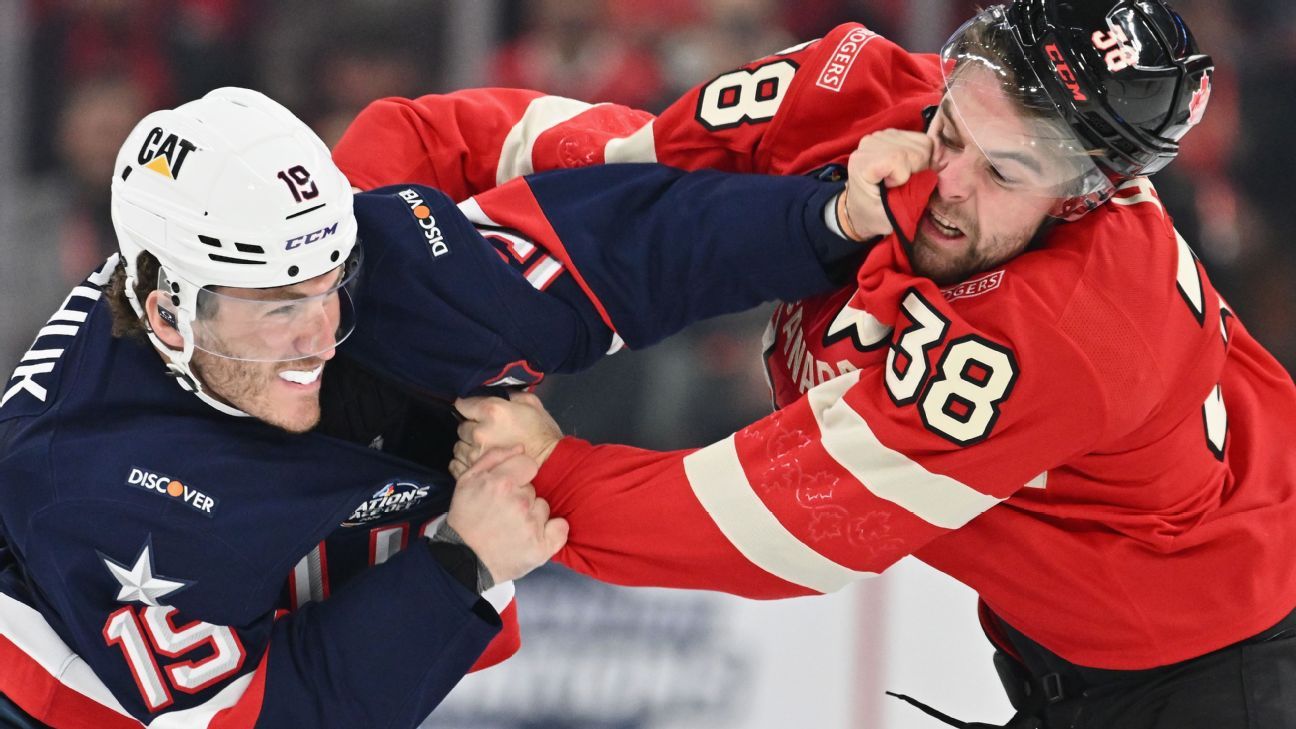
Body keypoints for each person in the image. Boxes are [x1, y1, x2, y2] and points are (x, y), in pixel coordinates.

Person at [337, 1, 1296, 727]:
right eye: (951, 127)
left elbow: (786, 525)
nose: (948, 183)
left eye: (1004, 172)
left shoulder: (1069, 329)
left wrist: (548, 476)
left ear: (1085, 196)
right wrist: (346, 215)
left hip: (1225, 668)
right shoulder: (848, 85)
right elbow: (614, 161)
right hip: (1086, 643)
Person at [0, 87, 871, 728]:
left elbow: (625, 247)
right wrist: (461, 564)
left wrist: (832, 215)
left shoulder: (361, 269)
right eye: (281, 307)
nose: (320, 335)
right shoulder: (91, 494)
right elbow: (285, 713)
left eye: (330, 284)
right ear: (168, 317)